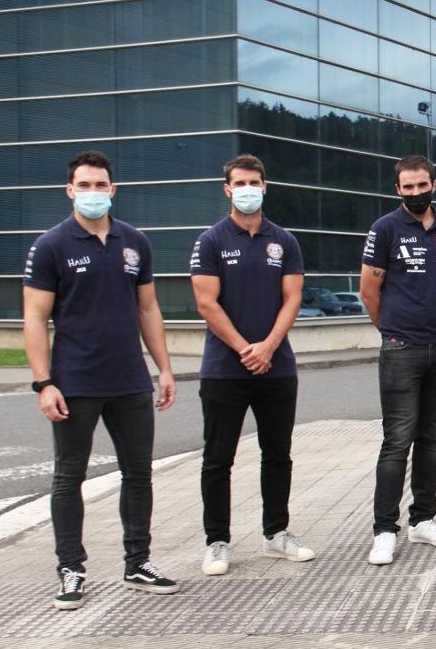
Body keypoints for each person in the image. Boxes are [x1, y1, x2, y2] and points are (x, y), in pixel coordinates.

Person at [22, 150, 180, 610]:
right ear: (70, 191)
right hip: (75, 382)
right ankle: (71, 569)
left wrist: (164, 368)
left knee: (139, 473)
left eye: (100, 185)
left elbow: (148, 309)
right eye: (84, 185)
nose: (93, 193)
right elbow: (34, 318)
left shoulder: (135, 242)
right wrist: (43, 383)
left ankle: (138, 562)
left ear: (113, 190)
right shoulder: (51, 245)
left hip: (130, 379)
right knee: (69, 476)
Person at [190, 154, 314, 577]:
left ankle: (276, 533)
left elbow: (292, 298)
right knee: (217, 458)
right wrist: (247, 349)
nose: (247, 190)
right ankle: (217, 542)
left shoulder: (285, 241)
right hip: (224, 369)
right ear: (227, 189)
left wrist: (269, 347)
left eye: (254, 182)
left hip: (277, 368)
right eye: (239, 183)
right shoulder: (210, 241)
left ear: (265, 187)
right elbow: (206, 303)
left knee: (277, 454)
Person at [359, 155, 436, 565]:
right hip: (402, 347)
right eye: (408, 187)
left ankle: (423, 520)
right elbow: (369, 291)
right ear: (398, 189)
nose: (416, 192)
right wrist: (391, 330)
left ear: (434, 184)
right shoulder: (384, 229)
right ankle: (385, 530)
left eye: (422, 185)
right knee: (397, 441)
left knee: (431, 438)